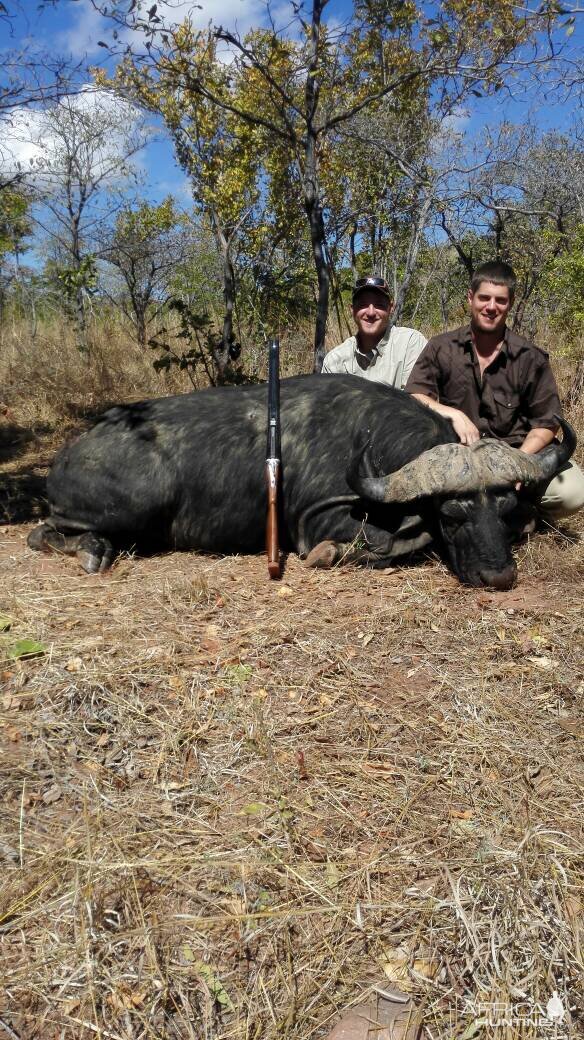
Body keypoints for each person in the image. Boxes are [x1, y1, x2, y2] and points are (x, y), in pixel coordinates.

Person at [405, 260, 584, 519]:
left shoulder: (530, 357)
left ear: (510, 303)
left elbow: (546, 424)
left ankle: (524, 514)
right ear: (470, 298)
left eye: (500, 300)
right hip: (460, 460)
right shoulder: (440, 347)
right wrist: (453, 413)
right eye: (484, 298)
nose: (491, 307)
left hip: (517, 453)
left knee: (573, 493)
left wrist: (517, 463)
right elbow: (415, 396)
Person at [322, 275, 427, 389]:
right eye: (363, 305)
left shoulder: (410, 343)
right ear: (352, 310)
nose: (371, 312)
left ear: (391, 308)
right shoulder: (335, 360)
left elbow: (417, 400)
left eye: (379, 305)